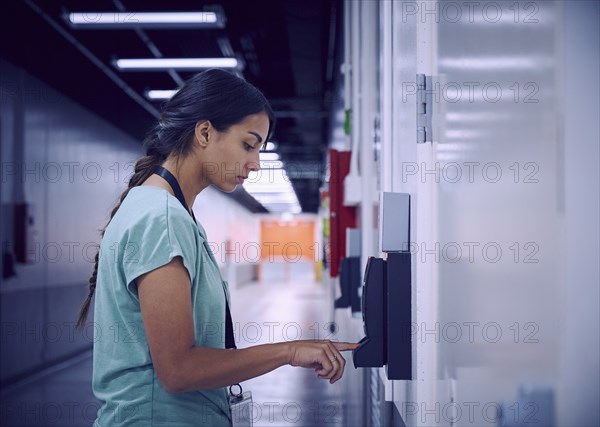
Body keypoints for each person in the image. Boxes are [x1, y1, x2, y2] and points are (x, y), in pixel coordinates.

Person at [76, 69, 358, 426]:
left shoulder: (171, 213)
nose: (255, 163)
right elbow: (178, 370)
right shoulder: (161, 219)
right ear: (205, 132)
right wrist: (289, 351)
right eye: (248, 144)